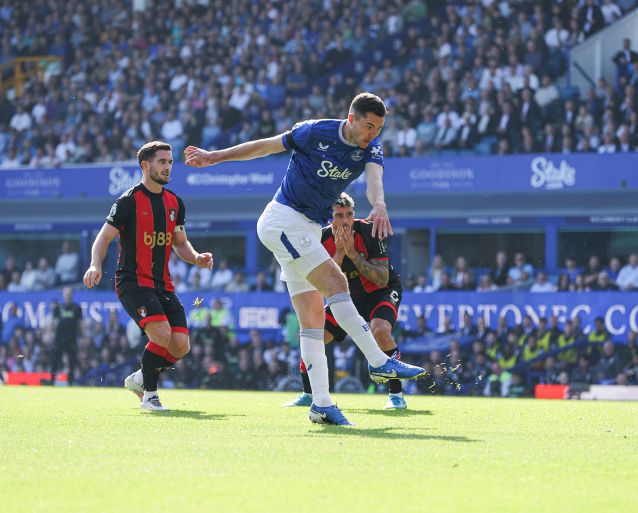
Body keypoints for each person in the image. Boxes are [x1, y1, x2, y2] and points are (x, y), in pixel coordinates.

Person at [183, 92, 426, 426]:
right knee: (338, 283)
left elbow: (374, 180)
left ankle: (322, 404)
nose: (373, 133)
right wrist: (215, 157)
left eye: (379, 128)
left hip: (309, 229)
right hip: (282, 220)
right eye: (369, 125)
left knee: (313, 321)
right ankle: (378, 360)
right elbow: (265, 146)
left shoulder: (371, 147)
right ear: (351, 118)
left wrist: (380, 204)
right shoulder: (314, 131)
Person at [83, 141, 214, 411]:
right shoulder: (128, 202)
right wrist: (95, 264)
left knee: (180, 345)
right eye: (162, 162)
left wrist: (196, 257)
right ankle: (150, 397)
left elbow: (180, 243)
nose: (168, 167)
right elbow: (103, 238)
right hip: (132, 281)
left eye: (169, 162)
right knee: (162, 334)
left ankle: (140, 378)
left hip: (162, 284)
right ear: (146, 165)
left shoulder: (175, 202)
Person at [284, 193, 411, 409]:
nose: (345, 221)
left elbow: (382, 279)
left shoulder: (371, 231)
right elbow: (321, 282)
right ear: (329, 217)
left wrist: (353, 254)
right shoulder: (319, 240)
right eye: (339, 215)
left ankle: (396, 396)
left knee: (380, 331)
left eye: (349, 214)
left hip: (379, 293)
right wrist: (340, 256)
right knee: (314, 335)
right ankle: (308, 393)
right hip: (344, 297)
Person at [49, 287, 82, 385]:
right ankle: (52, 380)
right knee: (55, 359)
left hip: (72, 338)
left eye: (69, 293)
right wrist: (50, 335)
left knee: (72, 360)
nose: (68, 295)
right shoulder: (58, 308)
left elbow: (80, 324)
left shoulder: (77, 308)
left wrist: (81, 337)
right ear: (63, 294)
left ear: (72, 294)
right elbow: (53, 323)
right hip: (59, 338)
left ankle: (70, 381)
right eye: (66, 293)